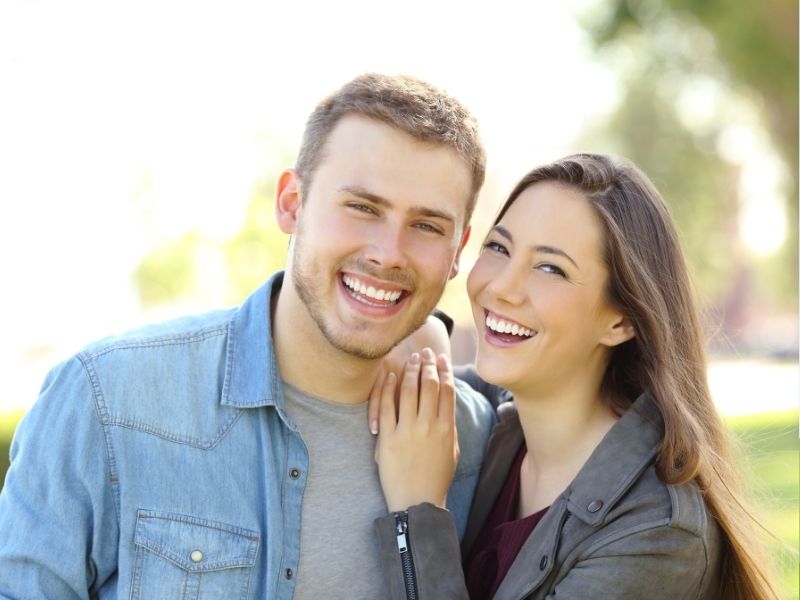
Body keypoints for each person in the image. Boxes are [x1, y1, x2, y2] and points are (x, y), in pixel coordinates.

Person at [0, 73, 496, 599]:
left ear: (459, 248)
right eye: (362, 207)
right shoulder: (107, 398)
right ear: (291, 203)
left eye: (426, 226)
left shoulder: (478, 443)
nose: (389, 253)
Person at [372, 153, 777, 599]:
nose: (501, 287)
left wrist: (416, 513)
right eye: (499, 247)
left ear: (621, 320)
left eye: (551, 268)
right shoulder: (494, 422)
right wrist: (425, 334)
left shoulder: (656, 535)